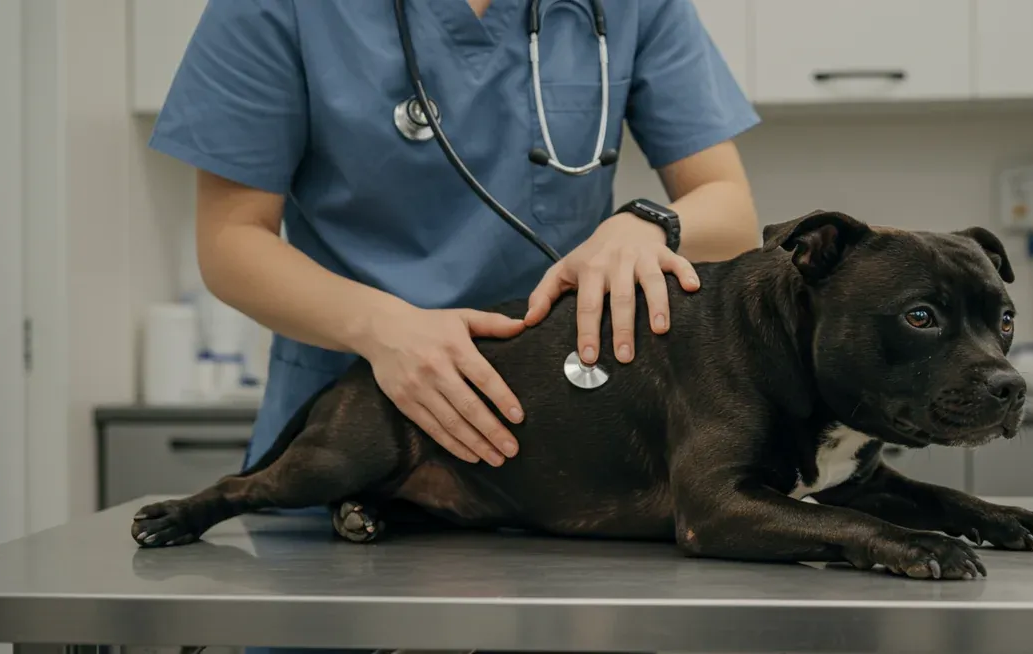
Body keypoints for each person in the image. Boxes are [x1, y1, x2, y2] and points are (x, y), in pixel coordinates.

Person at [151, 0, 757, 650]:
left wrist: (648, 223)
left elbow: (731, 212)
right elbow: (231, 241)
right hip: (354, 454)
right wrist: (384, 329)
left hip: (566, 468)